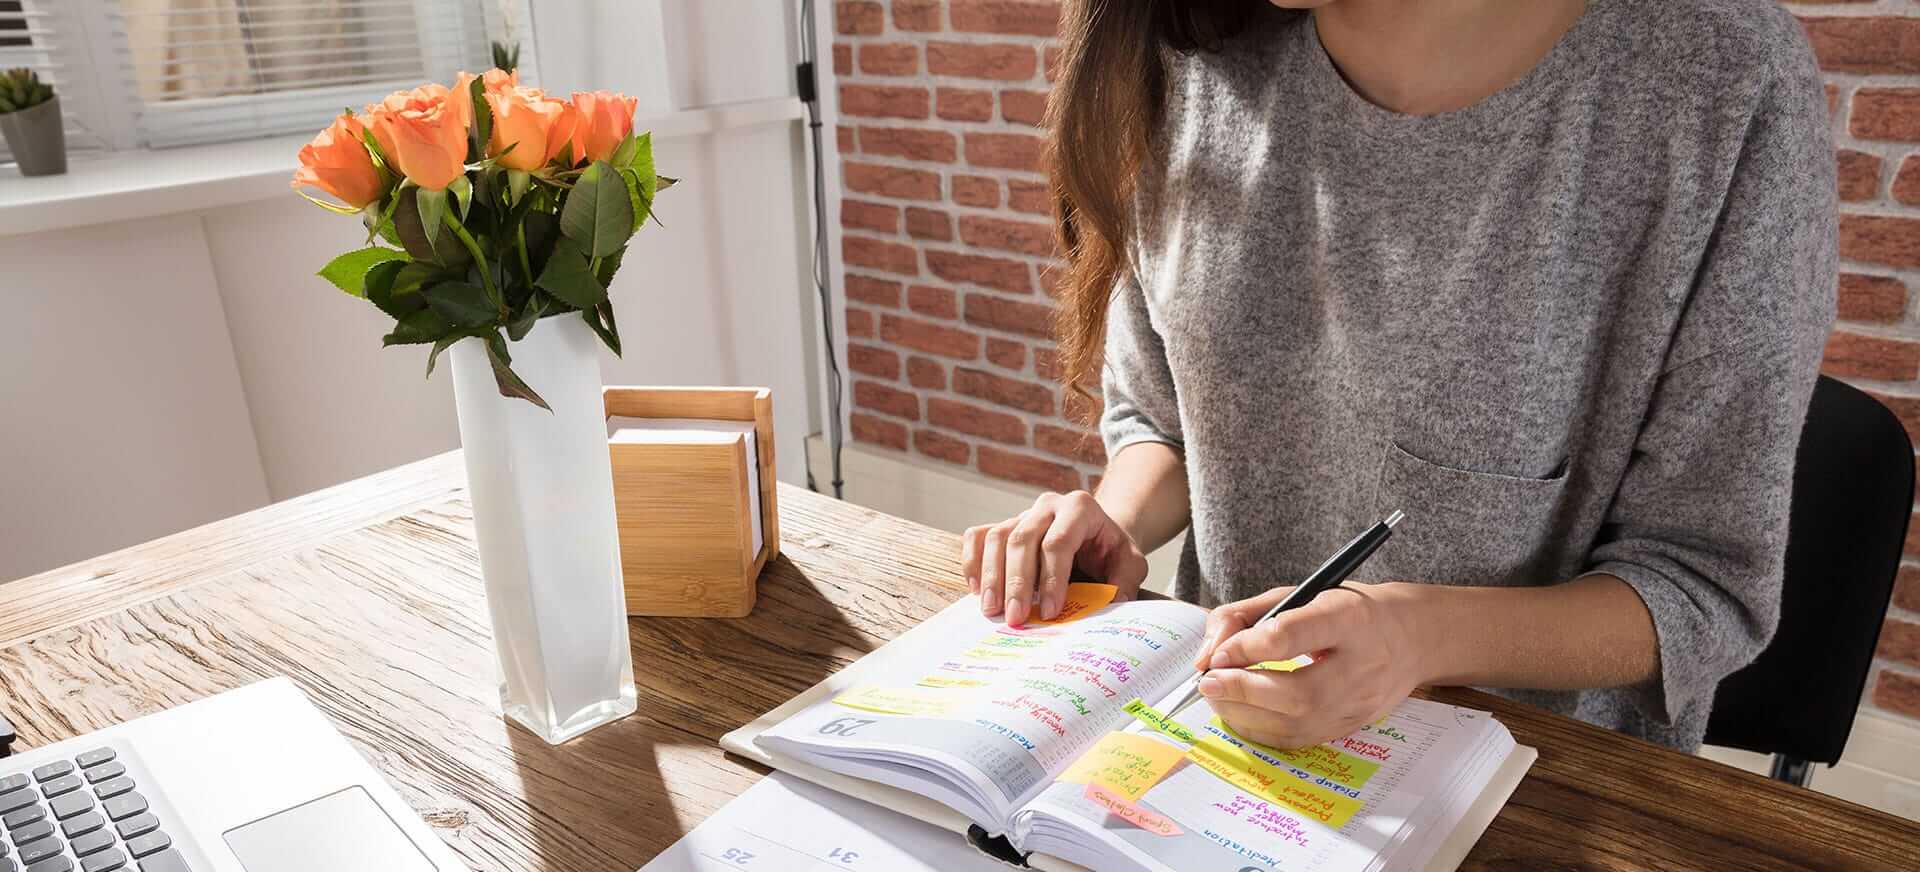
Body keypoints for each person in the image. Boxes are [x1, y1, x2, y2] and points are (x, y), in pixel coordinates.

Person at [958, 0, 1836, 752]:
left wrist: (1415, 639)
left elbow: (1701, 584)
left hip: (1527, 783)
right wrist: (1115, 522)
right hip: (1217, 746)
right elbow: (1165, 420)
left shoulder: (1718, 80)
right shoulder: (1190, 51)